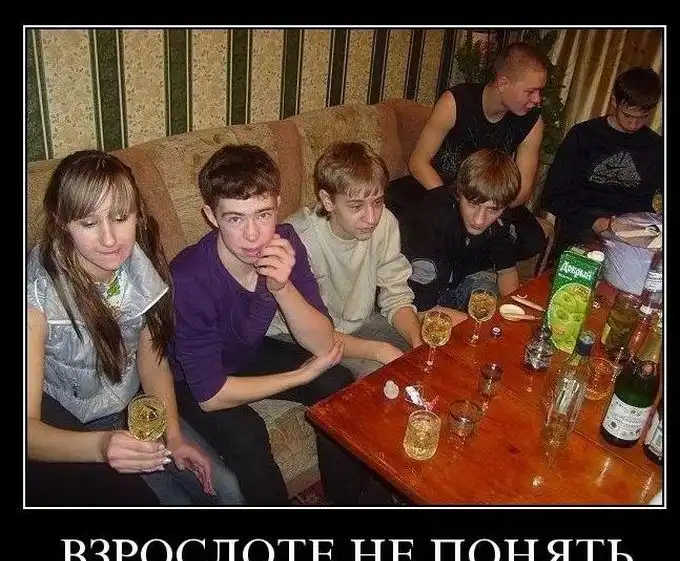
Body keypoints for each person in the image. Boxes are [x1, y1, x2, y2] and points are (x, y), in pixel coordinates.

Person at [167, 143, 393, 506]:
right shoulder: (188, 278)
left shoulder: (285, 241)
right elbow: (211, 396)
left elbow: (322, 344)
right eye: (235, 218)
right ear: (211, 215)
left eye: (263, 214)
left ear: (277, 204)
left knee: (337, 384)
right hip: (191, 380)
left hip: (246, 352)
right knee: (248, 434)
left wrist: (283, 287)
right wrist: (299, 376)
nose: (253, 235)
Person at [26, 149, 245, 507]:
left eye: (120, 217)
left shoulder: (142, 264)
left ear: (136, 213)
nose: (110, 239)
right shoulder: (35, 297)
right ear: (62, 222)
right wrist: (102, 446)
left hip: (132, 409)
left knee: (228, 490)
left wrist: (174, 437)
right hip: (71, 425)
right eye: (89, 223)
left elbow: (153, 362)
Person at [271, 142, 467, 378]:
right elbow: (315, 334)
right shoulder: (298, 240)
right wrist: (380, 350)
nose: (372, 218)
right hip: (300, 337)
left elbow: (396, 296)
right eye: (356, 206)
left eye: (378, 202)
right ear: (327, 200)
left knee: (439, 355)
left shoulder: (385, 222)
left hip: (360, 324)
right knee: (382, 376)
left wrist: (417, 341)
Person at [387, 41, 548, 270]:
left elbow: (522, 190)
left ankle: (464, 270)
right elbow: (418, 162)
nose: (537, 99)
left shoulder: (532, 122)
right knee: (403, 215)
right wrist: (456, 204)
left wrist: (489, 208)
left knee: (531, 237)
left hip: (492, 196)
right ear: (503, 83)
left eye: (540, 92)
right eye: (530, 92)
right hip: (438, 187)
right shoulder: (455, 102)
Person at [540, 66, 663, 262]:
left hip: (633, 235)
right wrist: (594, 221)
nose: (634, 124)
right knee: (589, 252)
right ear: (614, 101)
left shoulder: (656, 147)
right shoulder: (584, 135)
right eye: (628, 115)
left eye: (642, 117)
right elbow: (552, 196)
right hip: (583, 224)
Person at [390, 148, 522, 312]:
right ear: (459, 192)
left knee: (488, 300)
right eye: (473, 204)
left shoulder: (500, 215)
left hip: (455, 276)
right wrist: (479, 324)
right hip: (410, 291)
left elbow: (507, 272)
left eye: (493, 210)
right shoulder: (430, 221)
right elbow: (420, 307)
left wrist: (512, 313)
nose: (479, 220)